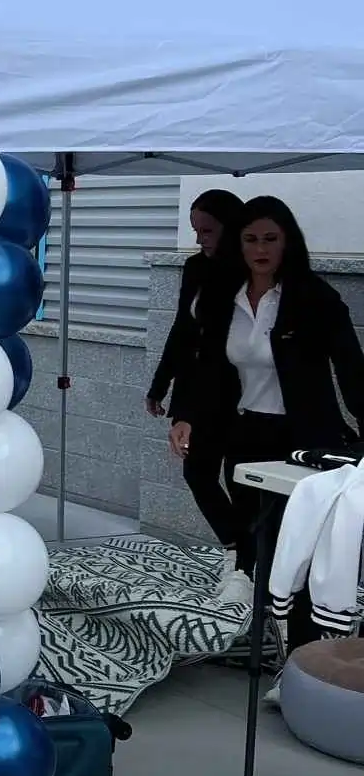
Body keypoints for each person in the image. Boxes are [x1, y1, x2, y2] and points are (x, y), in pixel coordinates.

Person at [173, 196, 364, 611]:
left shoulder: (315, 298)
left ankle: (286, 618)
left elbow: (352, 368)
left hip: (301, 433)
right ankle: (247, 592)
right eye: (251, 239)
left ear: (288, 242)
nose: (261, 250)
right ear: (238, 245)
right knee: (246, 521)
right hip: (244, 428)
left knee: (286, 534)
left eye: (271, 239)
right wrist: (184, 414)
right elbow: (205, 363)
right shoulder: (225, 298)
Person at [147, 190, 242, 554]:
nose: (199, 239)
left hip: (240, 392)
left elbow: (219, 347)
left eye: (207, 231)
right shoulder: (195, 268)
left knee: (239, 479)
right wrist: (160, 385)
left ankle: (249, 559)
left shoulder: (247, 272)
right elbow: (182, 330)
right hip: (198, 386)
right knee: (198, 473)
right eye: (195, 230)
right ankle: (239, 551)